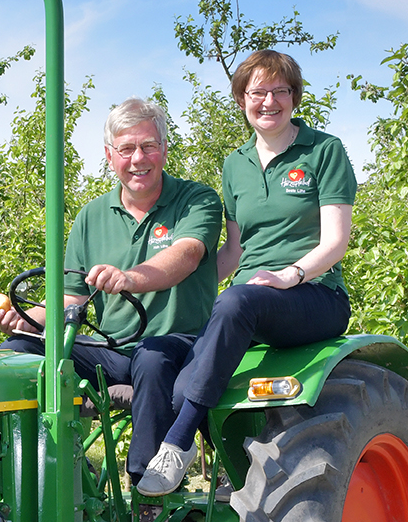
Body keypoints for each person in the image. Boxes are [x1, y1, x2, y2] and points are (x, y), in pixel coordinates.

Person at [135, 49, 357, 495]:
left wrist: (290, 275)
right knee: (180, 384)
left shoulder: (323, 151)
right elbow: (234, 252)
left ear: (294, 97)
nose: (269, 101)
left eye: (280, 91)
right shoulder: (235, 164)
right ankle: (233, 471)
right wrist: (172, 288)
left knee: (238, 301)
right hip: (247, 300)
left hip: (313, 294)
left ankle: (177, 446)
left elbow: (336, 242)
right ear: (242, 99)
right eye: (258, 92)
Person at [0, 97, 222, 483]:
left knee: (152, 358)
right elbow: (72, 296)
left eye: (148, 146)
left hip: (183, 345)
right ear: (109, 155)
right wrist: (26, 320)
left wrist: (129, 278)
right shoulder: (91, 216)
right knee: (19, 352)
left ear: (164, 148)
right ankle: (48, 475)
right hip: (115, 350)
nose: (138, 159)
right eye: (127, 149)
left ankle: (147, 489)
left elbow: (187, 255)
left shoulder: (195, 200)